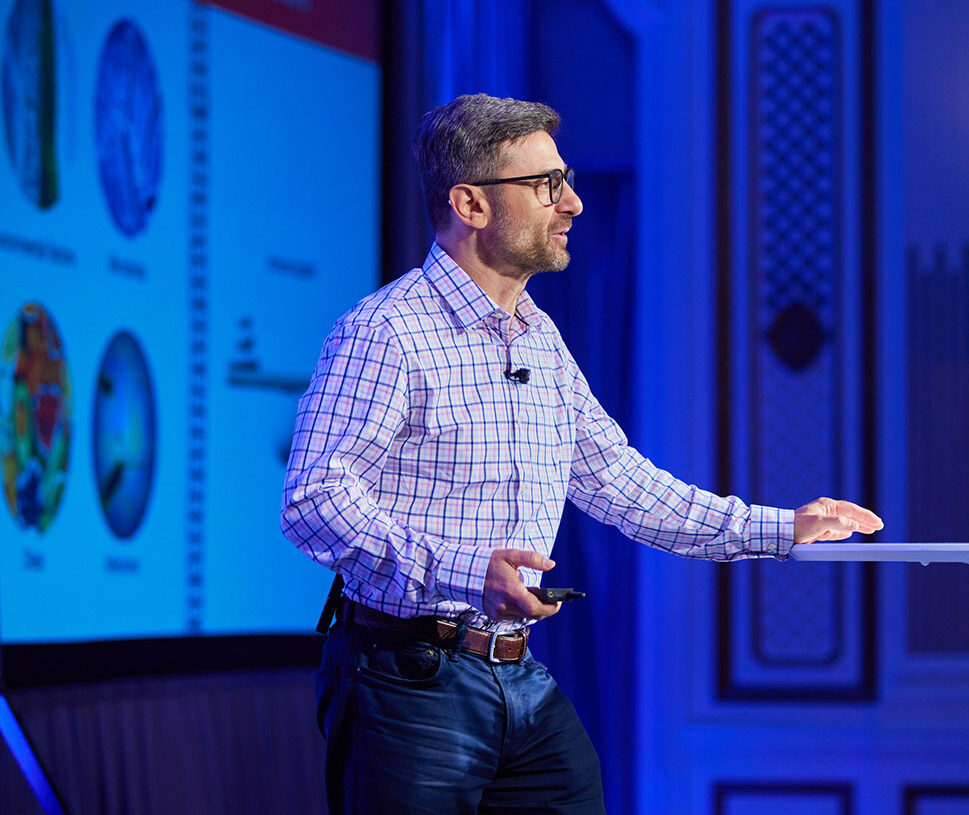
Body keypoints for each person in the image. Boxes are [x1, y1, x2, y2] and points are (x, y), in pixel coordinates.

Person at [280, 93, 883, 815]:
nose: (572, 203)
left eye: (563, 180)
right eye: (545, 185)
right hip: (405, 680)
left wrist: (779, 527)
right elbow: (313, 499)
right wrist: (467, 571)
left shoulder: (540, 339)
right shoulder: (386, 332)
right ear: (470, 204)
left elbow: (620, 483)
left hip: (519, 673)